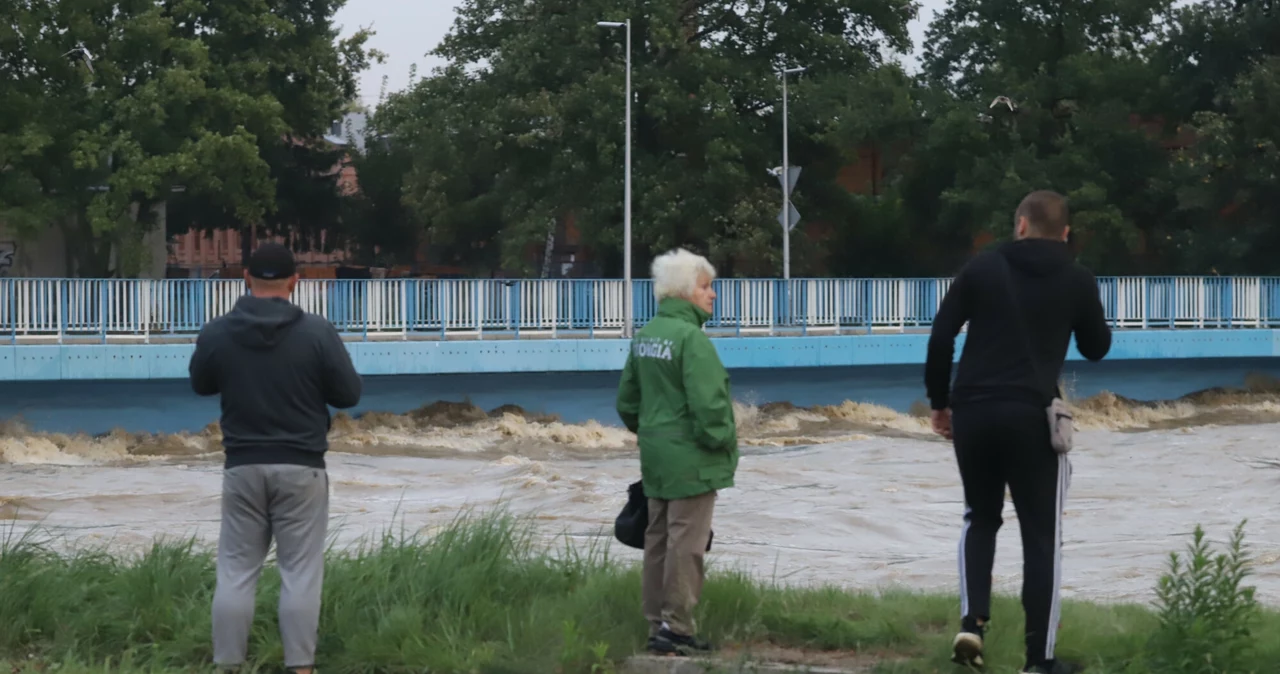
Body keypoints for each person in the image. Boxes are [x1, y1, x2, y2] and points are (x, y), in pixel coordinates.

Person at [924, 191, 1111, 674]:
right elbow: (1096, 348)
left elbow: (942, 333)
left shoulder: (983, 268)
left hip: (975, 413)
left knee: (979, 518)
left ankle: (972, 622)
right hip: (1031, 416)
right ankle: (1039, 660)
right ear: (1066, 233)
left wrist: (939, 403)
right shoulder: (1077, 278)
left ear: (1021, 225)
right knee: (1042, 537)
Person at [189, 243, 363, 673]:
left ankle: (227, 665)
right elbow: (348, 395)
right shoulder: (317, 333)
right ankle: (300, 668)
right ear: (295, 281)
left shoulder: (218, 332)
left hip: (243, 466)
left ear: (246, 277)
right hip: (302, 467)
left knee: (235, 571)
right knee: (300, 573)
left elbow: (201, 383)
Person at [616, 248, 739, 657]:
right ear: (686, 292)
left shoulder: (646, 336)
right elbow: (711, 409)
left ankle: (657, 626)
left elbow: (627, 403)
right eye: (706, 287)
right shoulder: (692, 340)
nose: (713, 295)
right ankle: (679, 629)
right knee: (687, 545)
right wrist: (722, 443)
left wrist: (651, 433)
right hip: (692, 462)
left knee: (658, 541)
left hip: (656, 459)